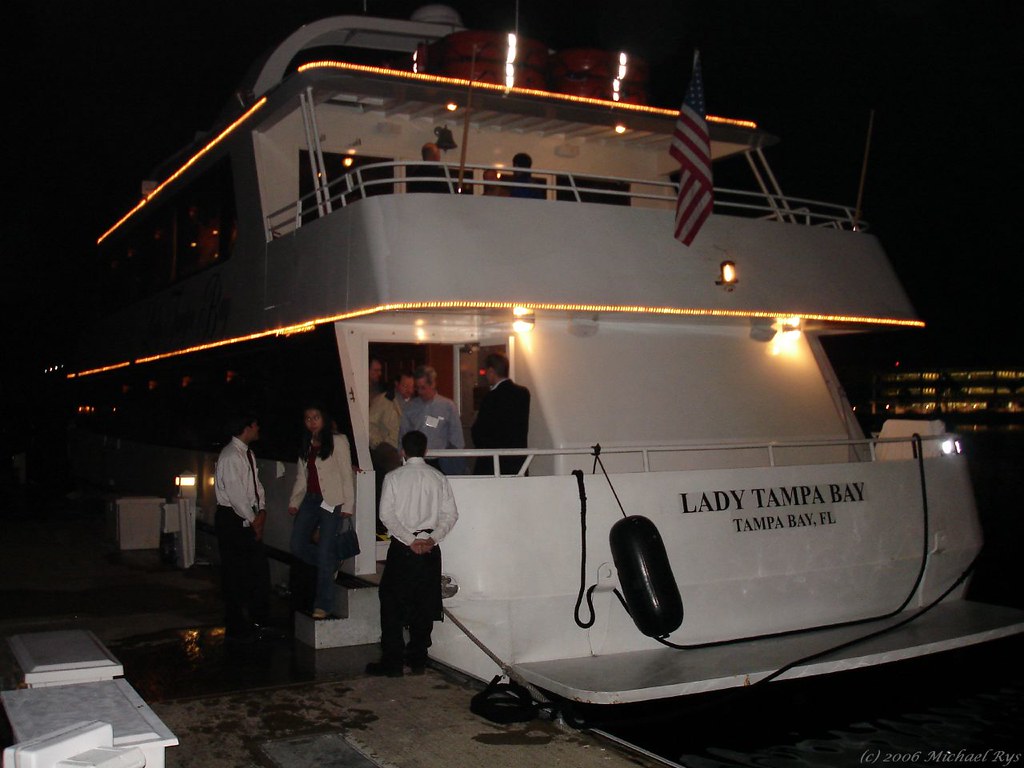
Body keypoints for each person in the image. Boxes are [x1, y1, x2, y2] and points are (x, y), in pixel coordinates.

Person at [366, 430, 459, 677]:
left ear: (402, 452)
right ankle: (418, 659)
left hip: (403, 548)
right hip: (430, 548)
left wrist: (410, 540)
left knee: (392, 603)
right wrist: (431, 539)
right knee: (424, 604)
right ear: (425, 451)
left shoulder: (394, 477)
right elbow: (451, 515)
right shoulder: (438, 477)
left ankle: (393, 661)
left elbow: (386, 515)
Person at [287, 405, 356, 619]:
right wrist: (295, 501)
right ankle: (330, 564)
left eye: (316, 417)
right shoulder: (306, 444)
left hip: (332, 500)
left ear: (323, 419)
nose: (312, 421)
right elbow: (302, 476)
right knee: (297, 545)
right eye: (308, 418)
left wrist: (348, 505)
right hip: (311, 499)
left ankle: (323, 604)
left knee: (325, 549)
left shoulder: (338, 441)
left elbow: (346, 474)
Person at [214, 412, 272, 642]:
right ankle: (239, 621)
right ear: (247, 427)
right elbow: (236, 496)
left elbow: (256, 486)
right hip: (234, 518)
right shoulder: (231, 456)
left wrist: (262, 510)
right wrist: (253, 520)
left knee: (253, 570)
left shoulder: (247, 454)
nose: (258, 429)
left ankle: (253, 619)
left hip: (246, 516)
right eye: (256, 424)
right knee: (238, 571)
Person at [471, 353, 531, 475]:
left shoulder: (490, 397)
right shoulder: (523, 393)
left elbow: (479, 433)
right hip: (517, 462)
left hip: (493, 463)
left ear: (492, 371)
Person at [401, 365, 465, 474]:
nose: (420, 392)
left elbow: (457, 440)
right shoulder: (410, 407)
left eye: (423, 387)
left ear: (433, 384)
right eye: (417, 388)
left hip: (441, 462)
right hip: (416, 462)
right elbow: (403, 434)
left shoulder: (448, 406)